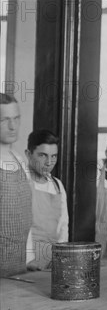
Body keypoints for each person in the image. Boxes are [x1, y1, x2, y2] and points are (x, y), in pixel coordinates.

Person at [24, 130, 68, 270]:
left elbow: (63, 227)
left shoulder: (57, 185)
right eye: (43, 155)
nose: (49, 162)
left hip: (53, 260)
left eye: (54, 156)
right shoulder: (21, 183)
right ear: (28, 154)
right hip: (26, 260)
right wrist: (28, 260)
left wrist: (62, 257)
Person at [0, 93, 33, 277]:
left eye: (16, 118)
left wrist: (29, 259)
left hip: (19, 268)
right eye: (4, 120)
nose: (13, 126)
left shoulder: (20, 160)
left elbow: (26, 217)